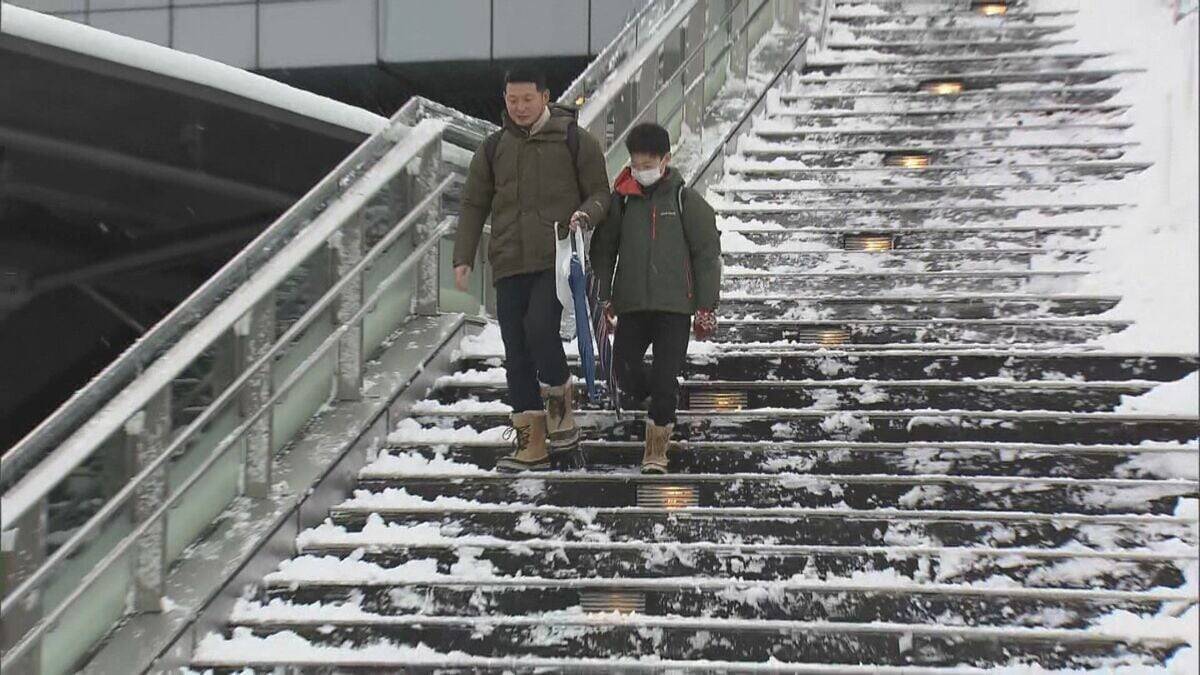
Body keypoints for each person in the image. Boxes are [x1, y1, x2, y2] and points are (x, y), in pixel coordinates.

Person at [452, 67, 611, 472]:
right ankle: (530, 444)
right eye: (511, 100)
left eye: (526, 99)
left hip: (554, 258)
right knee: (516, 353)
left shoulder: (575, 139)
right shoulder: (492, 148)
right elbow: (474, 204)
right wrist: (463, 256)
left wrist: (585, 215)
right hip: (508, 260)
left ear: (545, 96)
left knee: (540, 328)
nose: (519, 107)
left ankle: (561, 419)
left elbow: (599, 192)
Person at [590, 123, 721, 474]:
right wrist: (603, 296)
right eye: (635, 164)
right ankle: (661, 396)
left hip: (675, 308)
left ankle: (656, 447)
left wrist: (706, 306)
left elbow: (707, 254)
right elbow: (603, 251)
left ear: (665, 160)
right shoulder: (622, 201)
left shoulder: (685, 201)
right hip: (632, 305)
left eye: (648, 164)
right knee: (622, 370)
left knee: (665, 377)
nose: (641, 171)